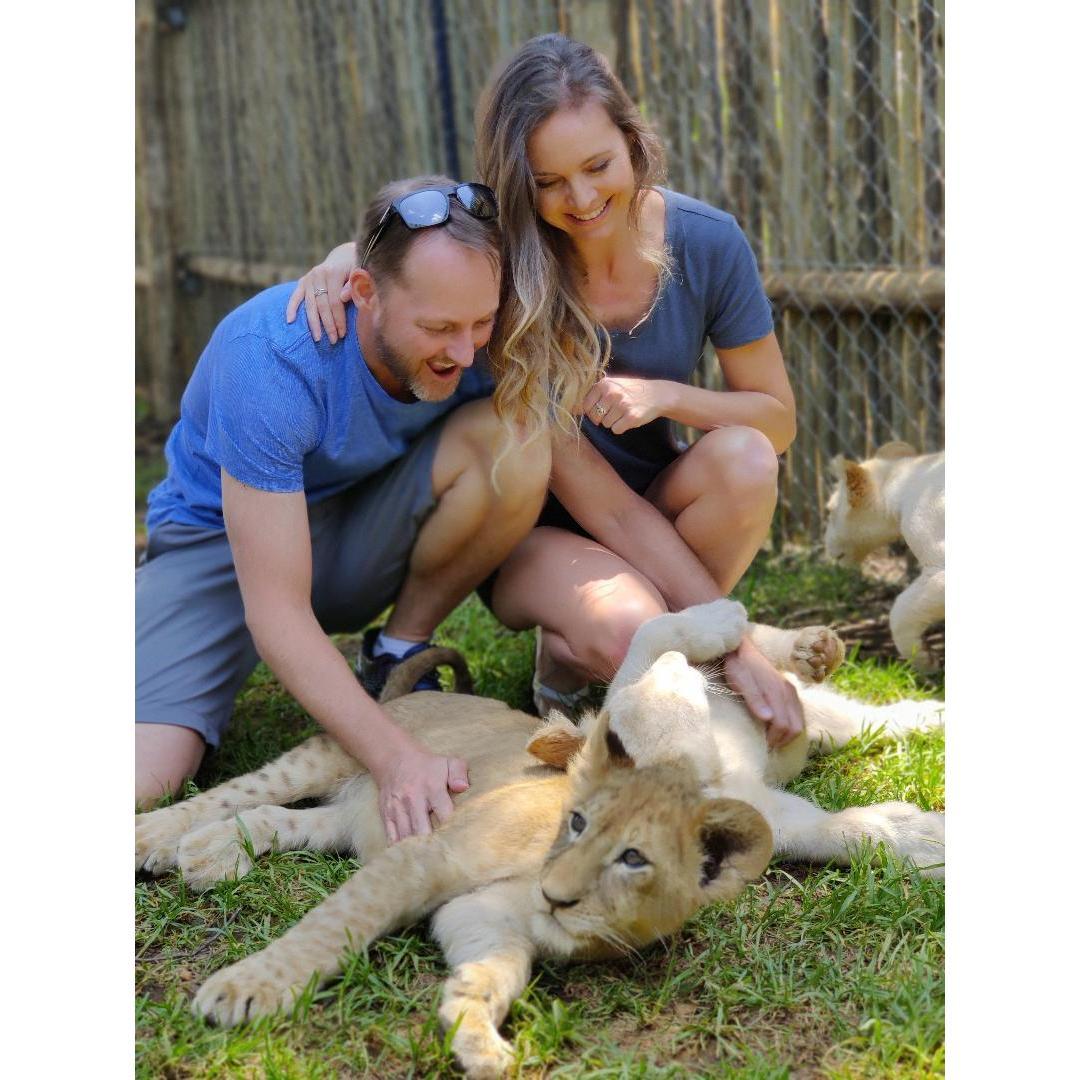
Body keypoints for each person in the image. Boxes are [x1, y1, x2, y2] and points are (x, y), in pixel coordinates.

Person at [288, 34, 804, 746]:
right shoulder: (504, 271)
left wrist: (667, 396)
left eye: (598, 165)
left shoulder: (709, 241)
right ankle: (589, 647)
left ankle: (614, 645)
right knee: (633, 629)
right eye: (549, 181)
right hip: (542, 530)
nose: (583, 198)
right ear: (516, 182)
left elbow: (776, 422)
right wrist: (737, 648)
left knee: (745, 459)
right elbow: (608, 510)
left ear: (632, 140)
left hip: (657, 500)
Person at [137, 175, 552, 844]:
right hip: (216, 542)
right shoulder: (271, 358)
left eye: (481, 322)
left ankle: (395, 654)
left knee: (518, 437)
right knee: (144, 776)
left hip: (352, 525)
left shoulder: (474, 323)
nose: (467, 351)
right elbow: (276, 610)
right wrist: (397, 760)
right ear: (364, 293)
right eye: (440, 328)